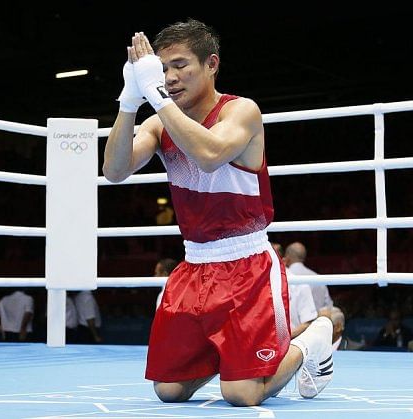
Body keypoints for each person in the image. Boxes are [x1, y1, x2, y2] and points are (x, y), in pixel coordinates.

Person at [103, 19, 333, 406]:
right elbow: (114, 171)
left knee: (241, 394)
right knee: (169, 390)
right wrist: (129, 100)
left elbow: (209, 155)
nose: (170, 77)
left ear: (212, 64)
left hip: (248, 267)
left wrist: (156, 96)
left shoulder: (241, 112)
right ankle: (228, 356)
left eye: (180, 65)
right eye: (161, 69)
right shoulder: (159, 124)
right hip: (194, 267)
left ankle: (314, 339)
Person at [284, 242, 334, 315]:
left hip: (293, 325)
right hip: (318, 323)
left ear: (287, 258)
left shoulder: (284, 278)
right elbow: (328, 307)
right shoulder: (317, 278)